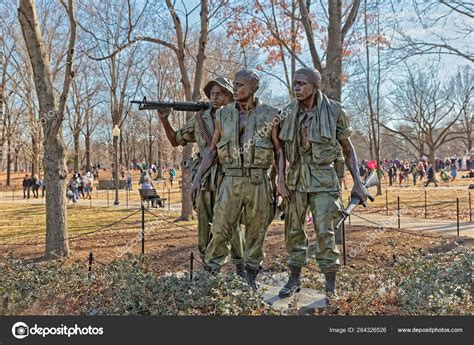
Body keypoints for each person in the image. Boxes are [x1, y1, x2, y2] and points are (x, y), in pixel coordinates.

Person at [192, 70, 290, 289]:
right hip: (231, 179)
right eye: (234, 85)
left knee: (257, 231)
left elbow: (279, 151)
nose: (234, 89)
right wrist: (198, 177)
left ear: (253, 89)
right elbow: (212, 150)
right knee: (220, 227)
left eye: (239, 85)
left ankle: (251, 277)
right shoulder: (223, 114)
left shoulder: (271, 113)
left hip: (258, 181)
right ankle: (209, 274)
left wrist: (280, 181)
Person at [276, 68, 367, 299]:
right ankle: (294, 278)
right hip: (295, 179)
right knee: (294, 231)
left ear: (315, 86)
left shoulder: (335, 110)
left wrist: (358, 182)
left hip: (324, 180)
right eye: (294, 83)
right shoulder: (287, 113)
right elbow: (280, 151)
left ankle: (330, 284)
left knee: (326, 232)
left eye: (301, 83)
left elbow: (348, 149)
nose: (296, 87)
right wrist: (280, 179)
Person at [158, 76, 246, 276]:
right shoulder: (199, 118)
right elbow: (175, 140)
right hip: (205, 176)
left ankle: (242, 268)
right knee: (204, 221)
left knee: (230, 221)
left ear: (228, 95)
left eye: (219, 93)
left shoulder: (239, 115)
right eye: (211, 94)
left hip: (229, 175)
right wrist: (164, 119)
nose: (214, 97)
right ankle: (209, 268)